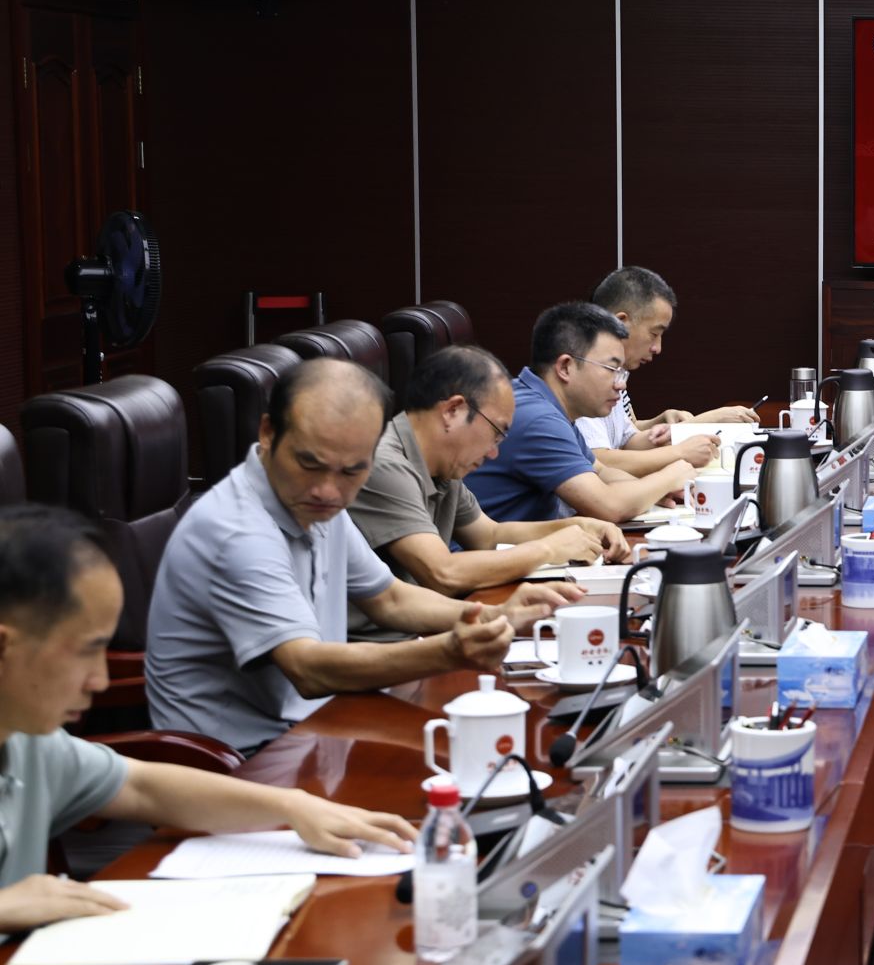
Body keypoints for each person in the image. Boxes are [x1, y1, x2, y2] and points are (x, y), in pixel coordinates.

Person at [0, 506, 417, 929]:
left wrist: (295, 807)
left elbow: (143, 787)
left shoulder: (31, 743)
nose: (100, 680)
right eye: (86, 651)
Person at [146, 359, 554, 752]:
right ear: (268, 433)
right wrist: (447, 651)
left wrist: (495, 617)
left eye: (351, 471)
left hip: (320, 725)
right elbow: (307, 669)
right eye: (309, 463)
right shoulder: (236, 531)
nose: (328, 490)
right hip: (242, 757)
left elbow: (390, 598)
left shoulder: (314, 501)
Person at [347, 345, 632, 640]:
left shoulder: (443, 464)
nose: (494, 452)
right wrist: (548, 548)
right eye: (496, 432)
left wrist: (577, 527)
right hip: (380, 647)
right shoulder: (386, 465)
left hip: (425, 631)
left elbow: (490, 535)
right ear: (453, 410)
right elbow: (442, 573)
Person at [466, 302, 699, 526]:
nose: (621, 385)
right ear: (565, 367)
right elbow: (609, 506)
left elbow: (600, 471)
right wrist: (670, 476)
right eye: (612, 369)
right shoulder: (538, 418)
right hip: (488, 551)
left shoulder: (546, 403)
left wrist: (650, 491)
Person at [579, 266, 757, 477]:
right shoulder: (585, 374)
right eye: (654, 334)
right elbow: (598, 459)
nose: (658, 348)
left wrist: (680, 429)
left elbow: (628, 440)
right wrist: (691, 439)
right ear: (620, 323)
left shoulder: (614, 371)